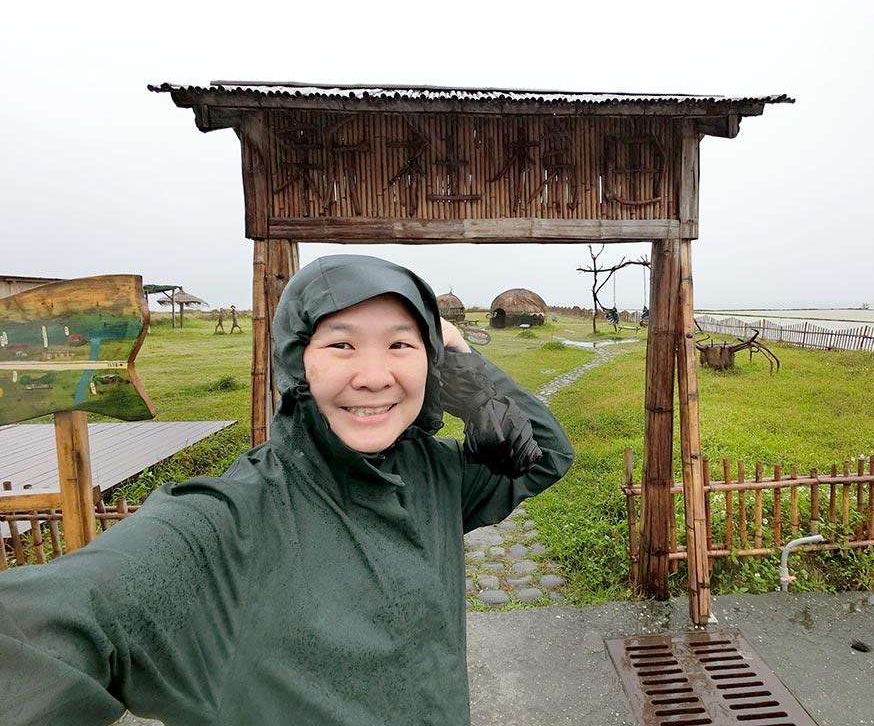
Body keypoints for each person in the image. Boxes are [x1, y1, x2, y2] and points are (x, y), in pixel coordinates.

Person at [0, 255, 575, 725]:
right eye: (342, 345)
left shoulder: (436, 474)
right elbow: (60, 621)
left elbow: (547, 455)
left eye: (402, 345)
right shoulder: (231, 519)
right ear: (297, 361)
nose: (375, 375)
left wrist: (468, 369)